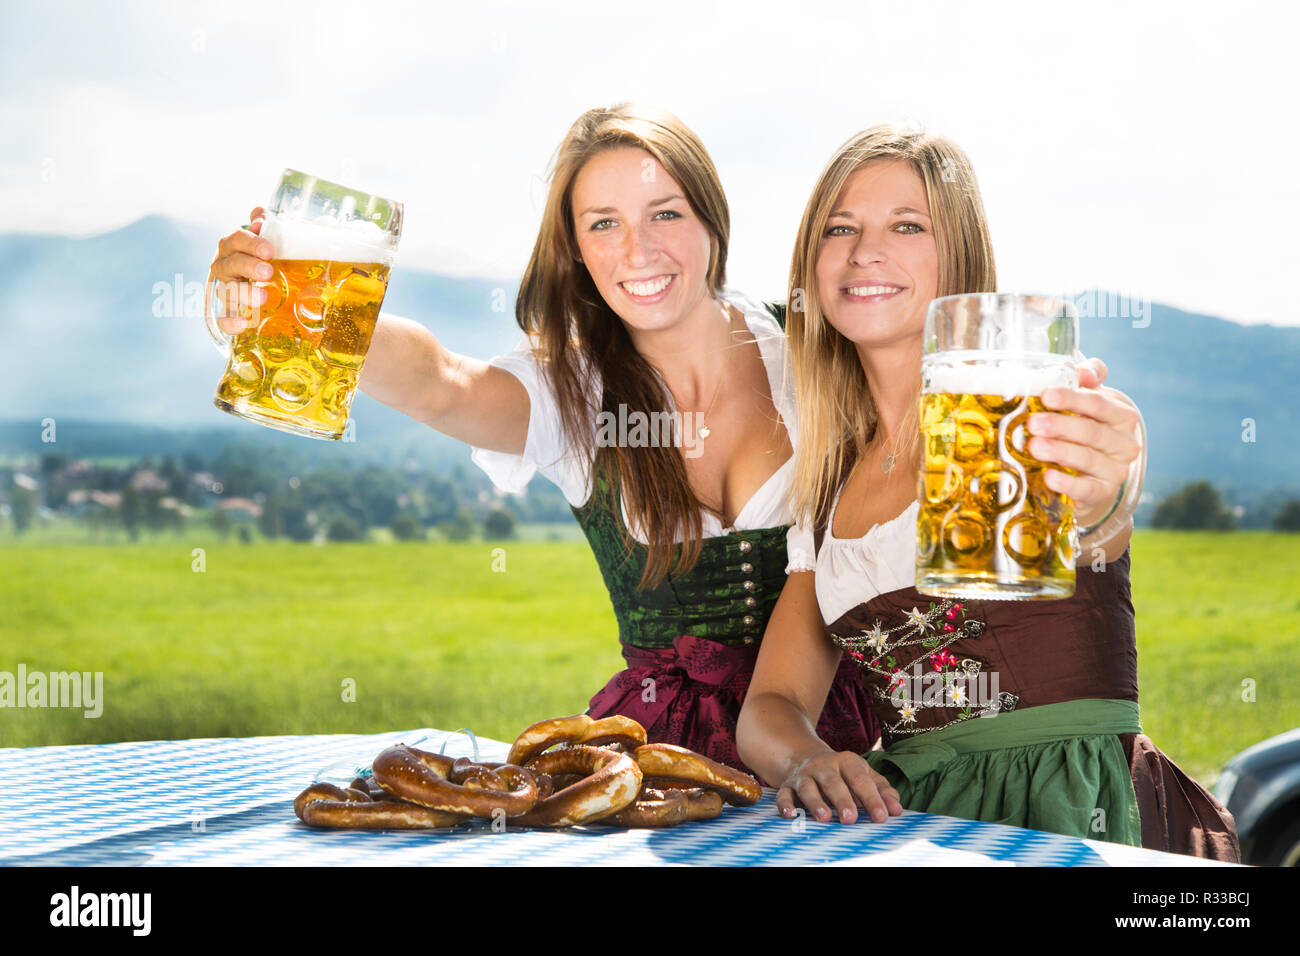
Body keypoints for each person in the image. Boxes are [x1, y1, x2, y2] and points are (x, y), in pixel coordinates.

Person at [206, 103, 880, 771]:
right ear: (578, 250)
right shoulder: (573, 393)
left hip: (846, 744)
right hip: (667, 770)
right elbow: (443, 381)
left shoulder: (810, 349)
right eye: (603, 224)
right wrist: (294, 309)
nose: (638, 249)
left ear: (712, 217)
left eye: (665, 213)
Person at [735, 124, 1240, 861]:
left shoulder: (1026, 420)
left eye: (907, 225)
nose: (863, 250)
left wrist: (1107, 481)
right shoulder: (825, 492)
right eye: (838, 228)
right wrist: (806, 759)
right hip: (917, 823)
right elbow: (772, 704)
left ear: (959, 257)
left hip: (1075, 807)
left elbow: (1097, 515)